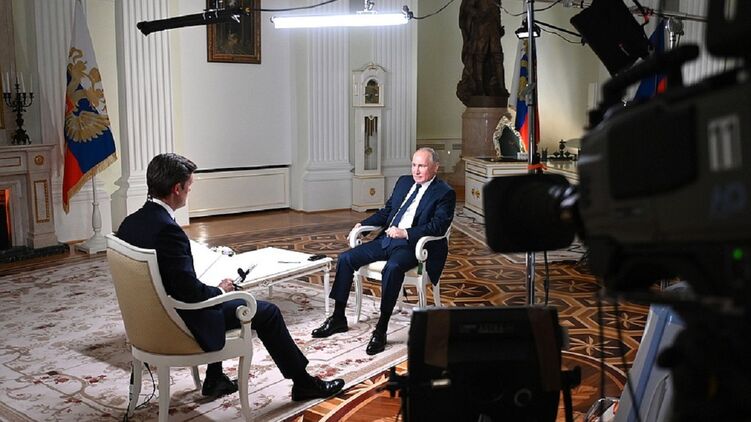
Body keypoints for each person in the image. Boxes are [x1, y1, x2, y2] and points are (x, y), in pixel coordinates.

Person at [116, 153, 344, 401]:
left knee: (221, 299)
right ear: (177, 189)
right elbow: (190, 294)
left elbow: (170, 279)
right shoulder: (169, 231)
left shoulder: (129, 224)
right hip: (178, 323)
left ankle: (215, 379)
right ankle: (303, 383)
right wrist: (221, 291)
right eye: (189, 186)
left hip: (148, 320)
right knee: (266, 311)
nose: (189, 191)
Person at [311, 148, 456, 355]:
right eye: (414, 165)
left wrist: (405, 233)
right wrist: (362, 225)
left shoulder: (444, 192)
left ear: (435, 167)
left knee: (393, 268)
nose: (416, 170)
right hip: (387, 240)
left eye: (422, 166)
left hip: (413, 246)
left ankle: (381, 329)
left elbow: (438, 227)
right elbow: (387, 212)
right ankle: (338, 317)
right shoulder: (404, 182)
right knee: (346, 258)